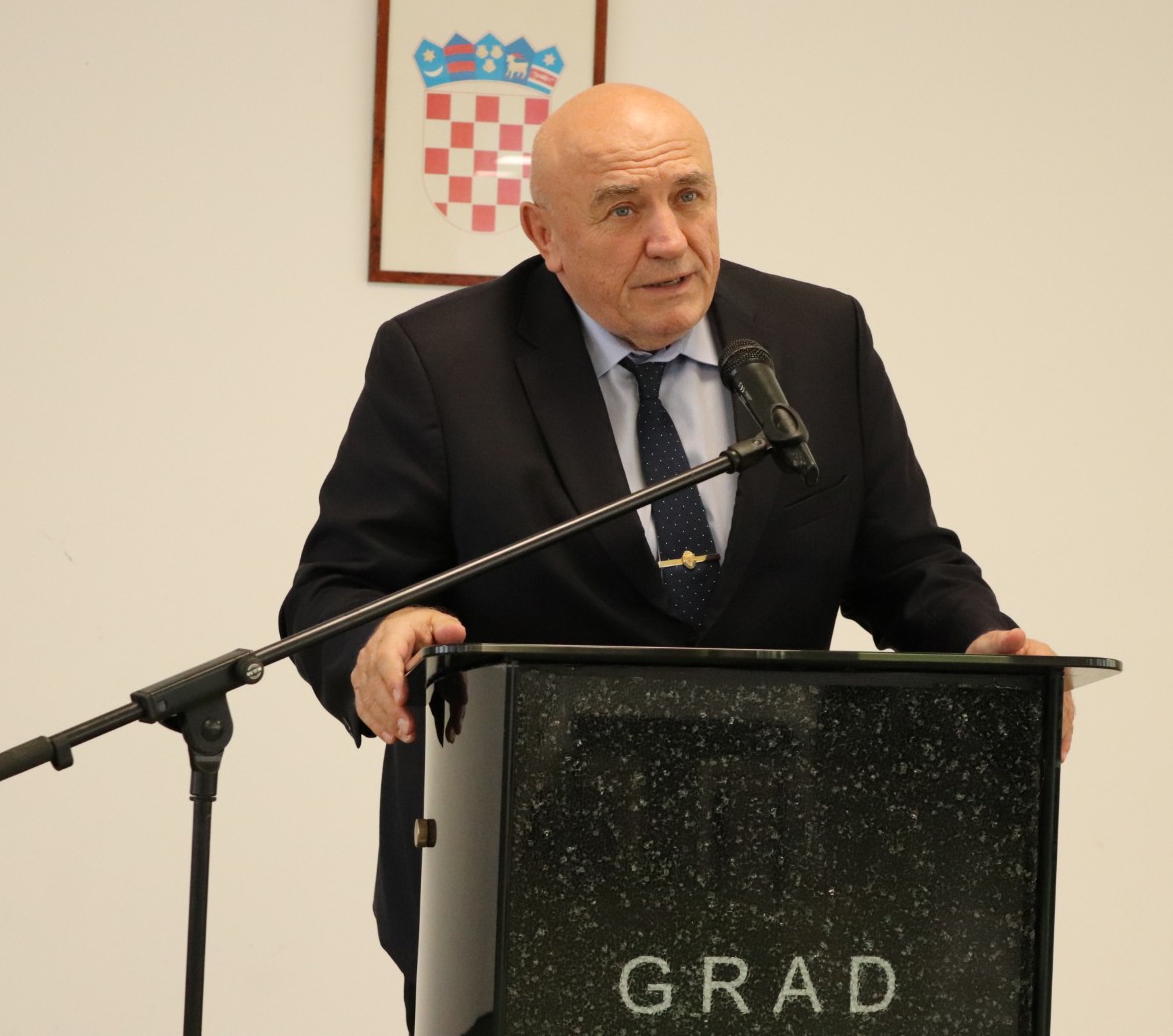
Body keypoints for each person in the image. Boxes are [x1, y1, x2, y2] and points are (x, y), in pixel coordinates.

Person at [279, 83, 1072, 1031]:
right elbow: (337, 590)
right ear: (544, 233)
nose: (669, 239)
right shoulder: (442, 361)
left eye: (689, 197)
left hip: (780, 871)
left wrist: (982, 644)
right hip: (517, 865)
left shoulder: (818, 339)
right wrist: (380, 639)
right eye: (623, 210)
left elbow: (905, 563)